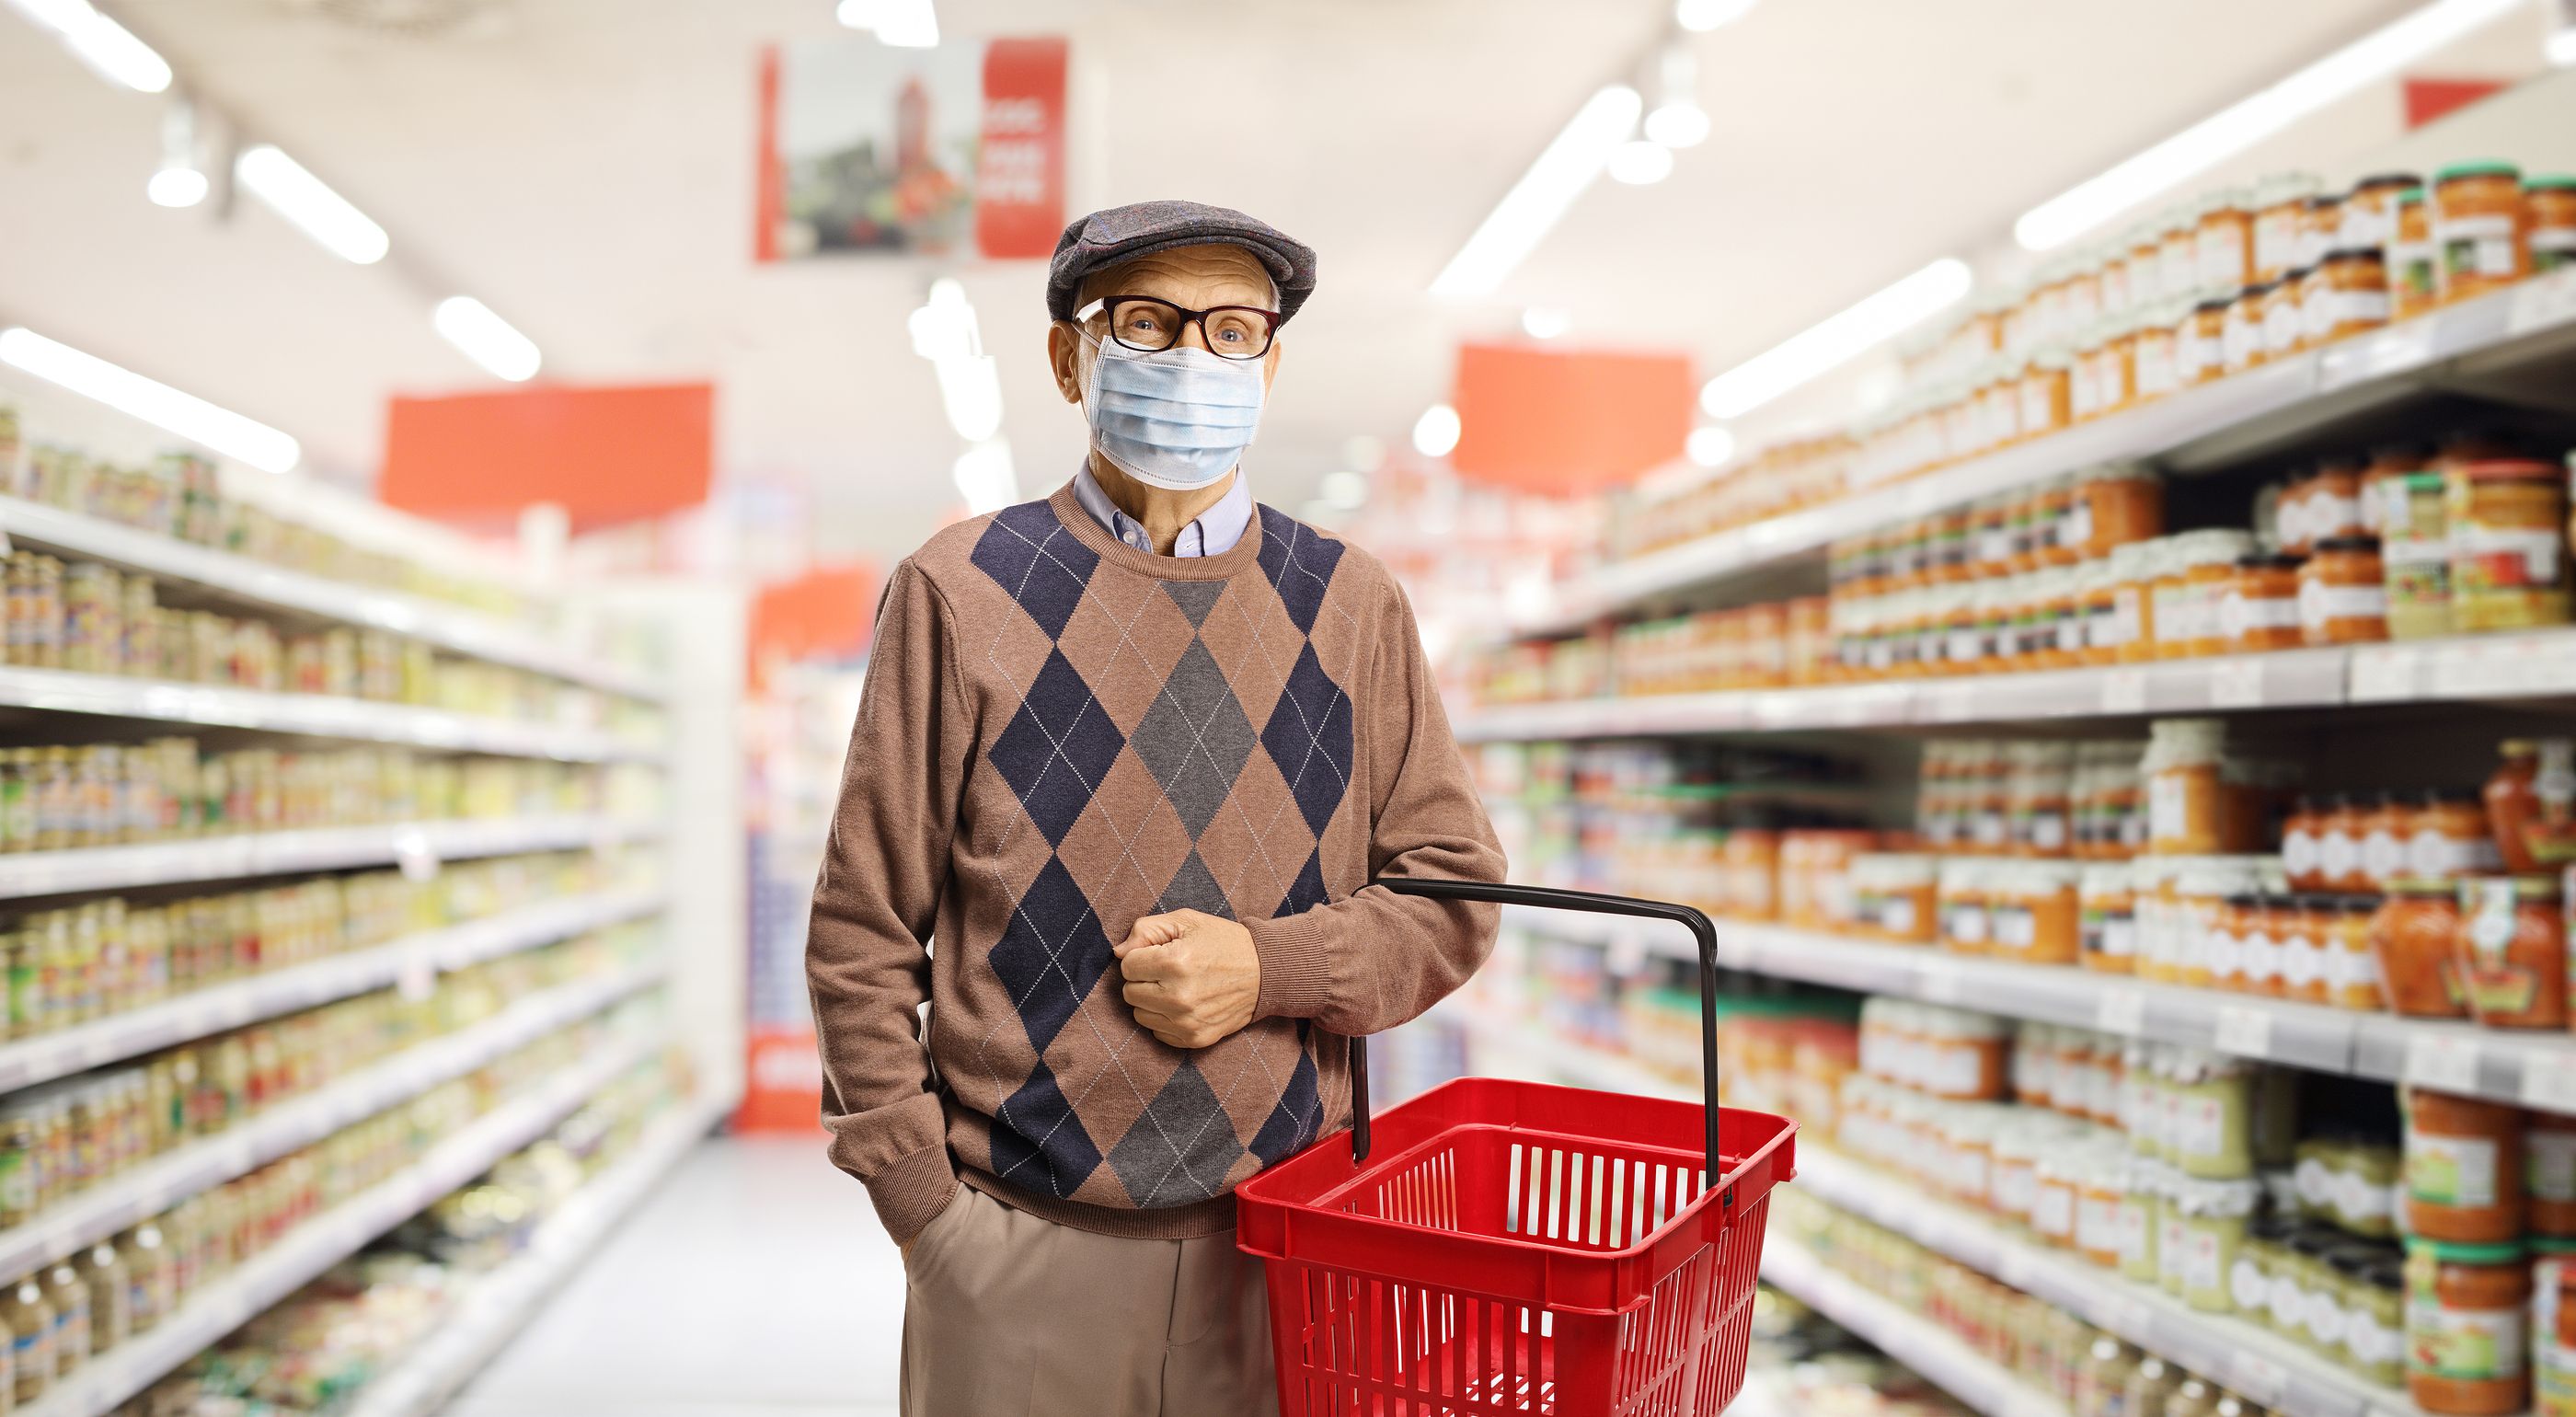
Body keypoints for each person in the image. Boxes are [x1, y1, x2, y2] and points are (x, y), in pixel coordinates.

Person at [804, 199, 1507, 1417]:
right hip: (1017, 1248)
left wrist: (1273, 966)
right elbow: (862, 930)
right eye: (1147, 322)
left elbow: (1455, 897)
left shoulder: (1351, 605)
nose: (1193, 359)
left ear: (1273, 364)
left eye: (1233, 330)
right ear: (1069, 356)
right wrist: (926, 1212)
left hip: (1289, 1250)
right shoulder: (960, 591)